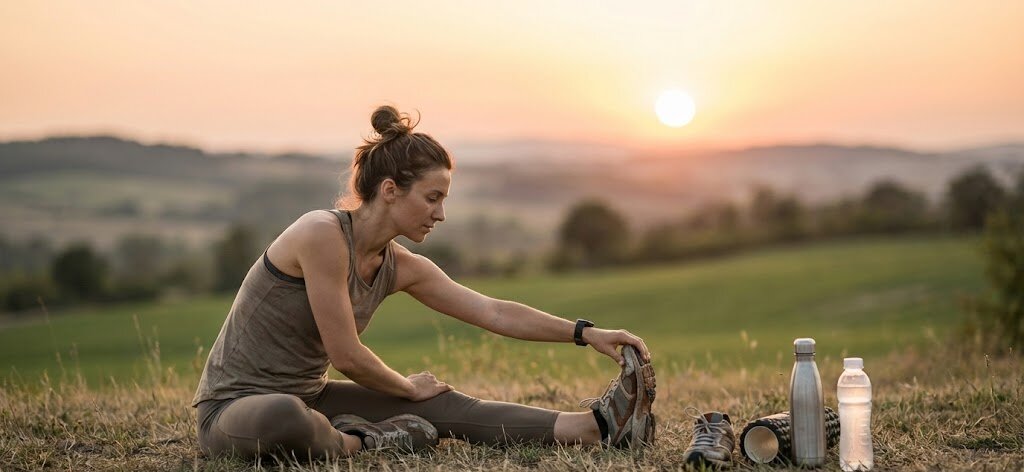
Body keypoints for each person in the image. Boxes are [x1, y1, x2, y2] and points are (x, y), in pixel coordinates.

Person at [191, 105, 657, 460]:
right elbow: (346, 355)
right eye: (432, 198)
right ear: (390, 190)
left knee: (444, 402)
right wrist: (404, 388)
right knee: (283, 416)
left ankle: (594, 428)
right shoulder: (321, 234)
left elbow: (492, 311)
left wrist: (585, 332)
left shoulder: (401, 265)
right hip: (236, 409)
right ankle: (362, 441)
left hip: (312, 397)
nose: (441, 213)